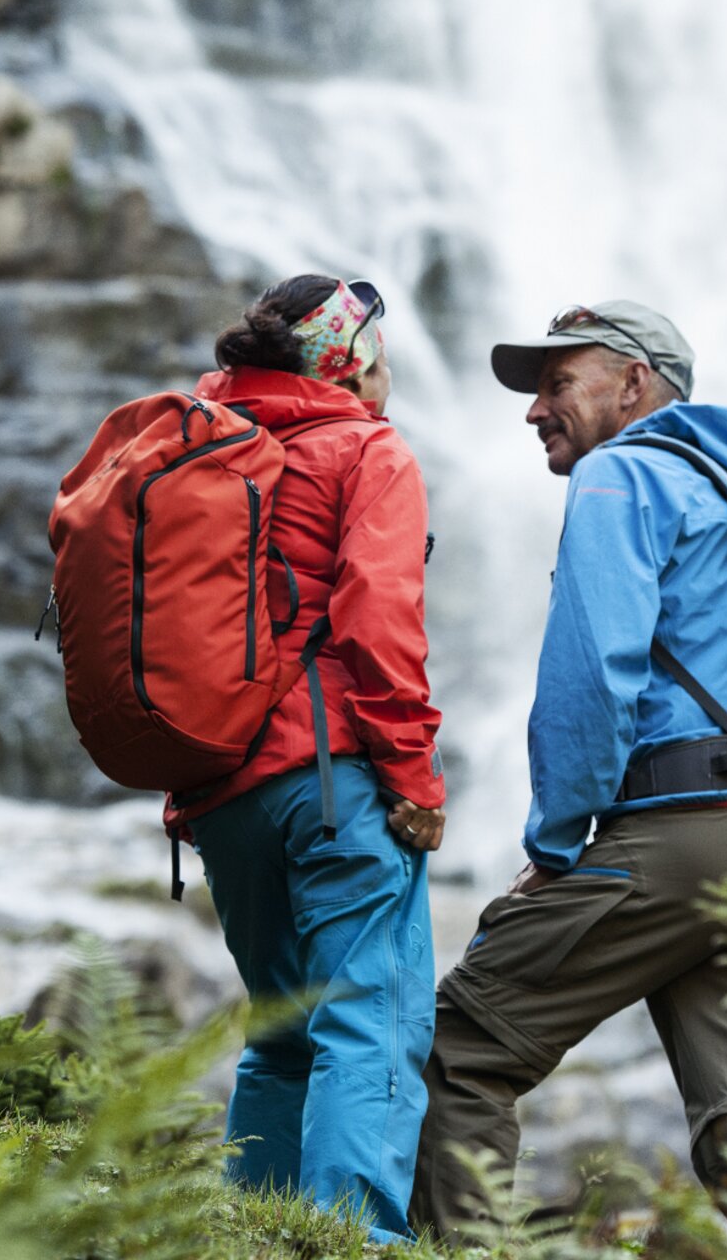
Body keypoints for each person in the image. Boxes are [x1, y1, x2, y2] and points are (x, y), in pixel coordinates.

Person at [410, 301, 727, 1236]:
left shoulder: (624, 476)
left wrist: (557, 841)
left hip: (684, 836)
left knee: (464, 1046)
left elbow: (593, 675)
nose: (535, 410)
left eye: (559, 383)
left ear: (635, 384)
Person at [174, 274, 446, 1243]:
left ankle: (250, 1242)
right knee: (368, 1028)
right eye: (379, 353)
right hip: (332, 781)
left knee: (282, 1037)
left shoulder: (200, 446)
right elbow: (379, 625)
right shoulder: (363, 448)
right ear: (350, 360)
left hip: (218, 793)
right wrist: (414, 780)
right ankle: (356, 1247)